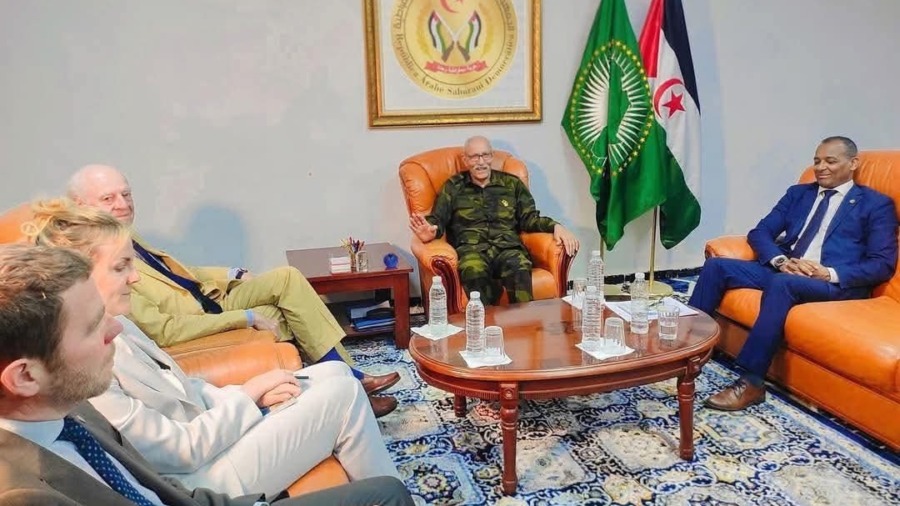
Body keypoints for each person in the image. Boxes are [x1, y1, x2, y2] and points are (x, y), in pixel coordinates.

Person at [25, 199, 400, 497]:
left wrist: (251, 393)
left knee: (334, 373)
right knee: (343, 395)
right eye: (121, 267)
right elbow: (179, 451)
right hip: (198, 479)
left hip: (209, 434)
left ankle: (374, 488)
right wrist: (248, 398)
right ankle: (389, 495)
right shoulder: (85, 363)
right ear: (79, 275)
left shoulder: (120, 324)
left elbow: (185, 389)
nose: (135, 278)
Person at [67, 164, 400, 404]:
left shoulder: (125, 234)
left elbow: (180, 273)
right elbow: (164, 330)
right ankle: (348, 386)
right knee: (281, 315)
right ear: (81, 206)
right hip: (198, 318)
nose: (123, 204)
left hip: (209, 299)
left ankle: (346, 380)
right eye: (108, 198)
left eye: (126, 194)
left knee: (287, 279)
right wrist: (246, 318)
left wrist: (232, 273)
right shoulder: (102, 263)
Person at [690, 136, 898, 411]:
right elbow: (761, 232)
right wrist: (780, 261)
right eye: (817, 161)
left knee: (782, 284)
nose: (821, 167)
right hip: (786, 270)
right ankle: (689, 350)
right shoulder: (799, 194)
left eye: (830, 161)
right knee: (717, 266)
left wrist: (828, 273)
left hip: (833, 283)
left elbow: (882, 263)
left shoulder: (875, 204)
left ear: (853, 163)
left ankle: (752, 382)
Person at [409, 135, 580, 305]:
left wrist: (556, 227)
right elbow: (438, 219)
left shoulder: (512, 184)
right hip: (472, 250)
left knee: (518, 266)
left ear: (491, 157)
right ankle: (484, 320)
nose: (481, 162)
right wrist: (429, 231)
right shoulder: (453, 187)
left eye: (485, 155)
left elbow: (529, 218)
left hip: (508, 248)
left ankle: (523, 319)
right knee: (473, 270)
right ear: (465, 160)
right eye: (474, 157)